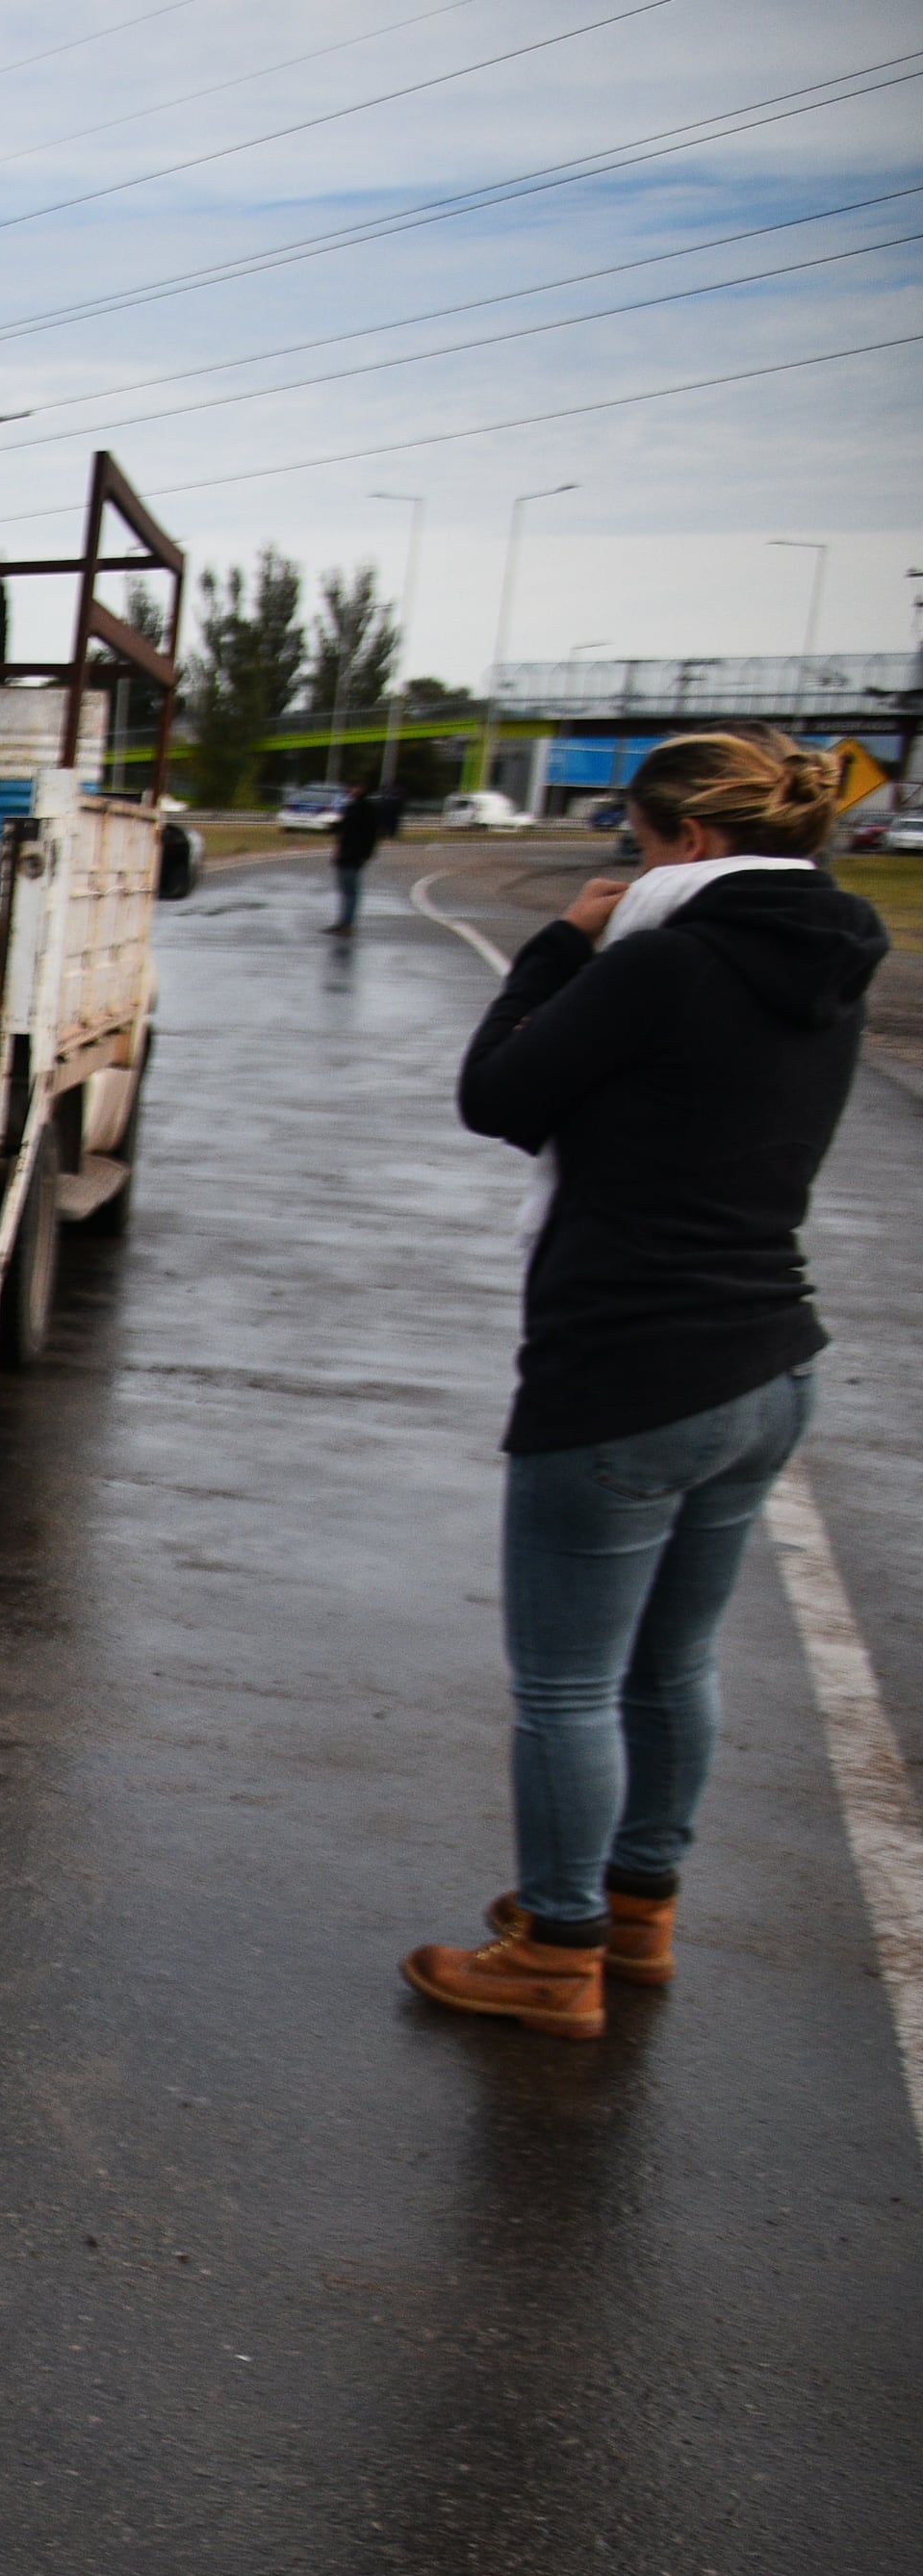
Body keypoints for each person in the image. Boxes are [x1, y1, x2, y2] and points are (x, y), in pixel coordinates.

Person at [403, 730, 880, 2039]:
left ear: (690, 843)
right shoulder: (834, 958)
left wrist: (561, 944)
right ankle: (639, 1912)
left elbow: (499, 1092)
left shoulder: (666, 962)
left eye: (637, 840)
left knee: (565, 1684)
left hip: (629, 1371)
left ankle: (559, 1951)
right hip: (770, 1358)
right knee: (674, 1664)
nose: (627, 861)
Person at [330, 780, 405, 935]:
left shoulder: (363, 809)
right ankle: (343, 922)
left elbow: (368, 833)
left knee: (350, 892)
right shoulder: (354, 807)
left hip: (352, 855)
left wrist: (365, 853)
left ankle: (347, 924)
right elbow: (343, 830)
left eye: (354, 787)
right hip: (348, 854)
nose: (351, 790)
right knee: (346, 891)